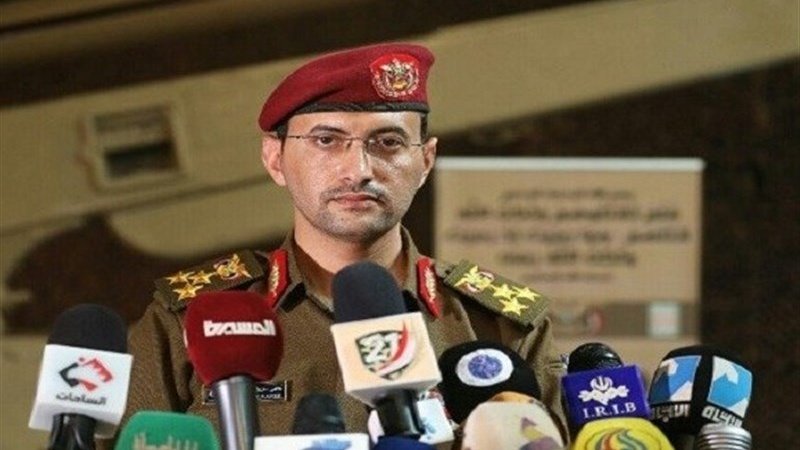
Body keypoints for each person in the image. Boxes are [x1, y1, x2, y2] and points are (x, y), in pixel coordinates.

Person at [120, 42, 568, 445]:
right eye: (326, 140)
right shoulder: (192, 321)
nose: (358, 170)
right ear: (274, 159)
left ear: (426, 160)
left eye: (388, 142)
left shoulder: (498, 325)